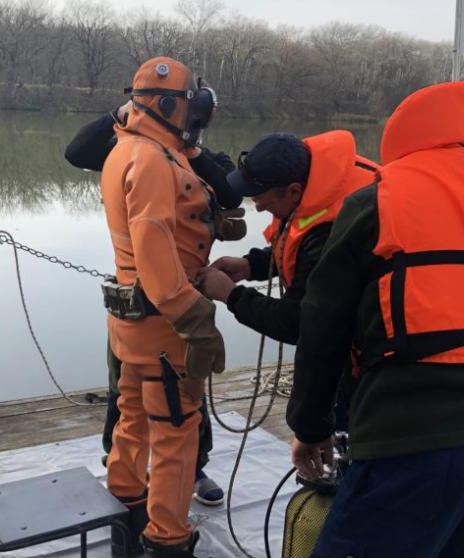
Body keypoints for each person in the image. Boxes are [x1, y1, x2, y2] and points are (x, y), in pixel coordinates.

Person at [287, 81, 464, 557]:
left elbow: (322, 328)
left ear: (405, 134)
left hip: (408, 438)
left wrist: (310, 428)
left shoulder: (375, 201)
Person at [64, 99, 243, 507]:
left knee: (181, 409)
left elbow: (230, 191)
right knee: (129, 399)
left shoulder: (194, 157)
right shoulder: (135, 149)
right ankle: (127, 487)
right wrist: (127, 111)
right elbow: (77, 152)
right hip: (141, 299)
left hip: (183, 297)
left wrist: (187, 149)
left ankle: (191, 469)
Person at [100, 57, 226, 558]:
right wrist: (194, 319)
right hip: (163, 323)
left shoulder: (129, 148)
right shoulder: (151, 159)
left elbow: (162, 225)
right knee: (176, 431)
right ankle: (168, 538)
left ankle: (125, 503)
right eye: (191, 107)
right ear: (168, 105)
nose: (195, 120)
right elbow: (153, 244)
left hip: (133, 321)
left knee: (132, 413)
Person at [198, 130, 378, 430]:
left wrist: (231, 296)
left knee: (346, 444)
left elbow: (300, 322)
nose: (257, 207)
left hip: (370, 365)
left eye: (263, 201)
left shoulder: (335, 227)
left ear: (293, 192)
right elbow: (301, 251)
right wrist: (251, 265)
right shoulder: (318, 185)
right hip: (355, 345)